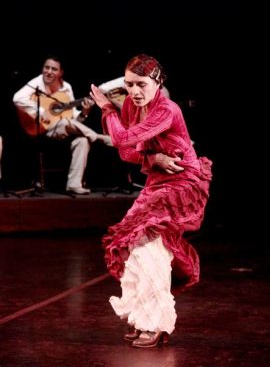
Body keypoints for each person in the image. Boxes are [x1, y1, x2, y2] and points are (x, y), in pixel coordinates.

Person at [89, 54, 213, 348]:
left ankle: (156, 323)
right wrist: (153, 157)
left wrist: (107, 108)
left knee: (150, 247)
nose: (134, 91)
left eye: (141, 84)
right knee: (134, 248)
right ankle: (142, 317)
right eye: (129, 84)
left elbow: (120, 140)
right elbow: (126, 152)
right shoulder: (133, 106)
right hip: (157, 180)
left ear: (157, 81)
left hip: (183, 183)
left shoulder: (167, 110)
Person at [12, 55, 112, 195]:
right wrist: (41, 111)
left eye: (54, 69)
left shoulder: (66, 88)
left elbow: (74, 120)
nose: (49, 72)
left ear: (60, 72)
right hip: (42, 130)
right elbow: (17, 98)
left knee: (82, 140)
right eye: (46, 67)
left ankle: (73, 184)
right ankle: (99, 138)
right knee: (65, 122)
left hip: (63, 130)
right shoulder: (37, 82)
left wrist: (85, 111)